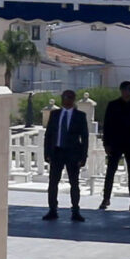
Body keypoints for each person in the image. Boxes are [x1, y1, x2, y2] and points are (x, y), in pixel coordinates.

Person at [43, 90, 88, 222]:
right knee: (53, 183)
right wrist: (47, 153)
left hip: (73, 153)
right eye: (64, 97)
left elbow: (84, 138)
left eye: (69, 97)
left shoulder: (80, 116)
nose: (66, 99)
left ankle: (75, 211)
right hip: (57, 152)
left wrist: (83, 156)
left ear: (73, 99)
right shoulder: (55, 114)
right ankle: (52, 209)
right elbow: (49, 134)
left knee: (74, 183)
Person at [102, 80, 130, 210]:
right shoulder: (113, 105)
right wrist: (106, 143)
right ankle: (106, 199)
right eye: (129, 89)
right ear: (122, 91)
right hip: (115, 143)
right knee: (110, 172)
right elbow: (107, 126)